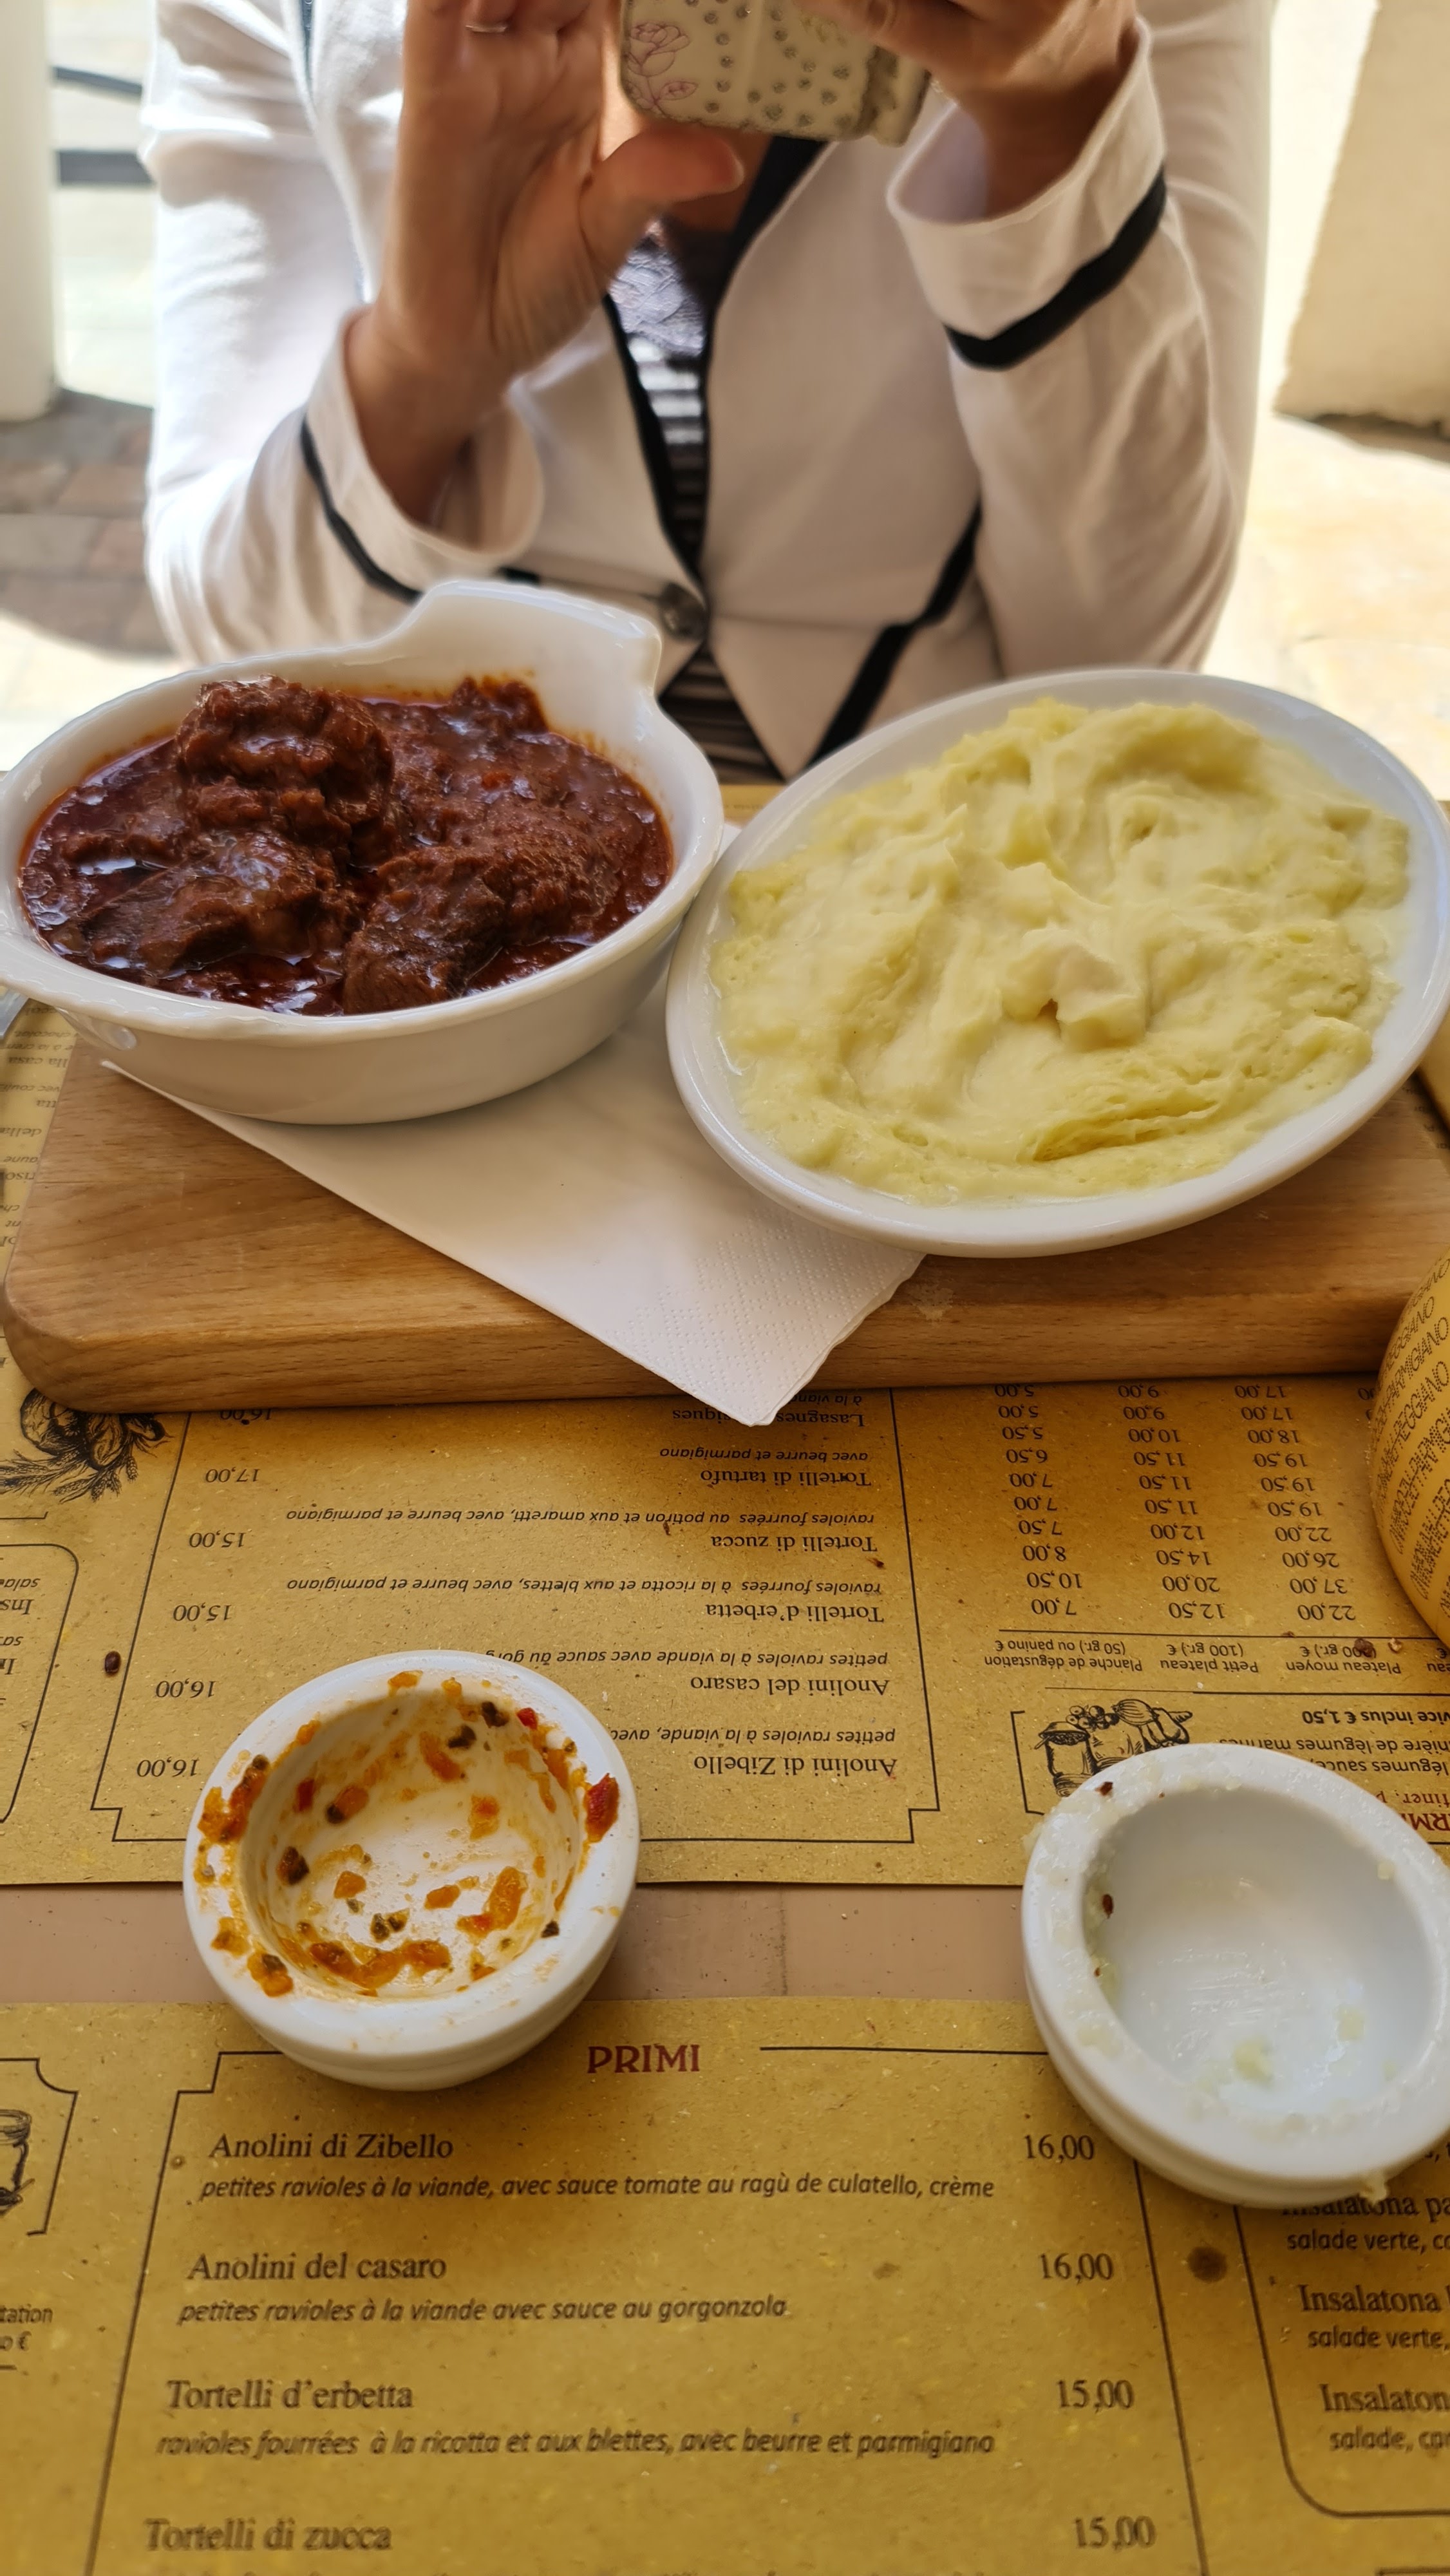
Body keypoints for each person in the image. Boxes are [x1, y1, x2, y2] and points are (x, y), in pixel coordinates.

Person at [141, 0, 1268, 781]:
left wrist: (1059, 125)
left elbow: (1126, 674)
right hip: (456, 883)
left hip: (933, 847)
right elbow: (241, 645)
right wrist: (421, 373)